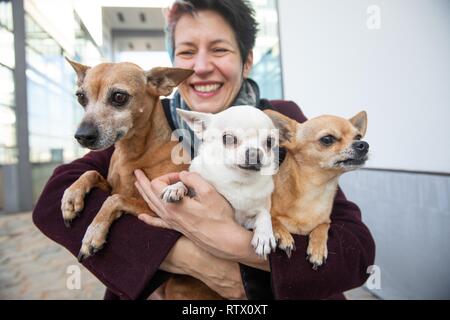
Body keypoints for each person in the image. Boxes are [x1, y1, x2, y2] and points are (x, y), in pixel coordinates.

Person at [32, 0, 375, 300]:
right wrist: (192, 258)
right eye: (186, 52)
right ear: (172, 70)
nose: (200, 66)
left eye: (220, 49)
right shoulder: (144, 123)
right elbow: (51, 204)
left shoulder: (284, 125)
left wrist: (238, 250)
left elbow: (355, 252)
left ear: (247, 61)